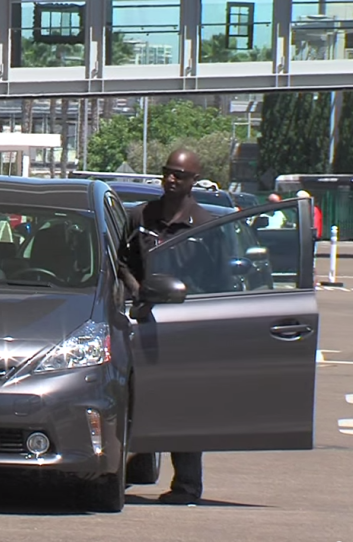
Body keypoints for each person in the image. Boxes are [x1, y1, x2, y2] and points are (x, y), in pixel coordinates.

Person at [118, 148, 214, 505]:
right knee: (137, 399)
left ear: (193, 181)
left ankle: (187, 486)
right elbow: (122, 262)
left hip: (188, 328)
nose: (171, 178)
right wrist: (136, 291)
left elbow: (220, 277)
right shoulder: (140, 217)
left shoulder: (205, 225)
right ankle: (131, 470)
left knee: (184, 405)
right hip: (142, 323)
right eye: (167, 172)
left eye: (179, 174)